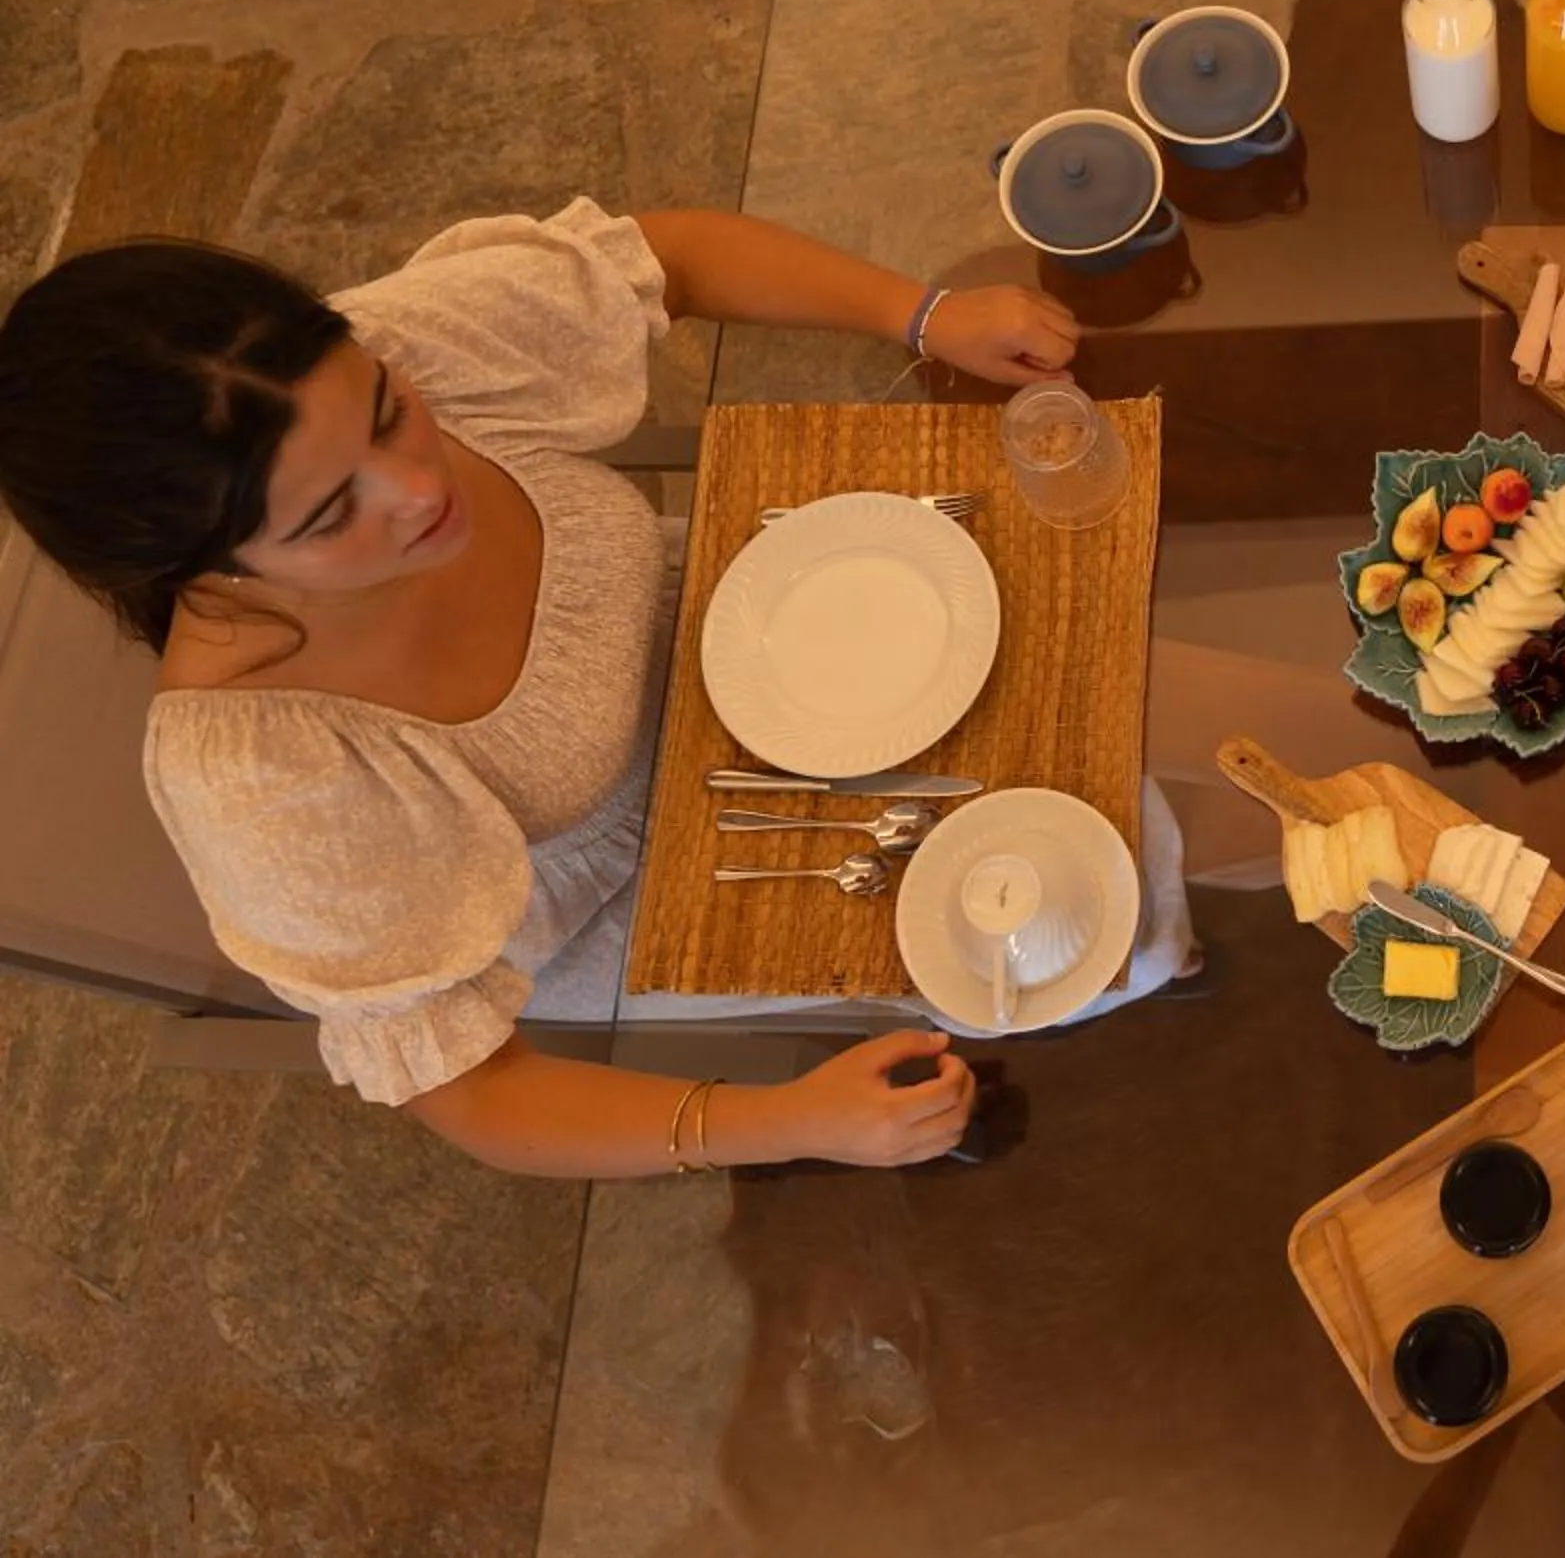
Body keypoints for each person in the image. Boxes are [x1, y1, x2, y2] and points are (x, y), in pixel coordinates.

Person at [0, 200, 1195, 1173]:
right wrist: (786, 1124)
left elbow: (667, 258)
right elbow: (467, 1088)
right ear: (201, 566)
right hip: (666, 875)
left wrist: (923, 313)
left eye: (389, 413)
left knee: (1096, 669)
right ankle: (1164, 959)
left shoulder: (373, 359)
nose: (418, 487)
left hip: (770, 611)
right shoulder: (269, 786)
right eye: (327, 516)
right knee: (1088, 909)